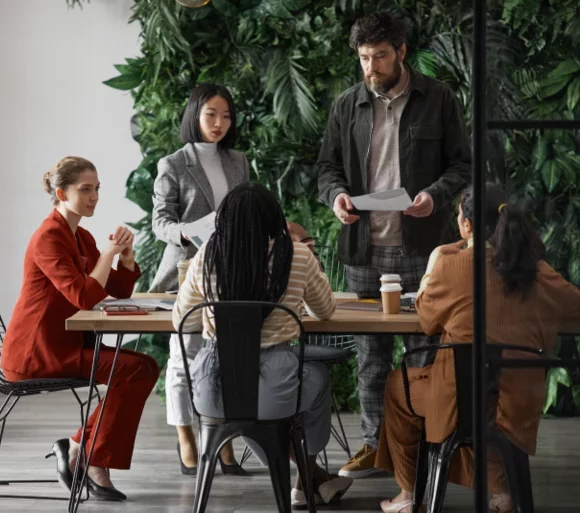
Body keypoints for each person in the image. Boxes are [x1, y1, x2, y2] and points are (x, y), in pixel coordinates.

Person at [316, 11, 472, 478]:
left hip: (425, 250)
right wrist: (336, 197)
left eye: (379, 56)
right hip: (365, 249)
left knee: (424, 352)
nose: (370, 67)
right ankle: (373, 446)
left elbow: (463, 165)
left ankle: (421, 448)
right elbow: (327, 168)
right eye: (363, 58)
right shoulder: (347, 104)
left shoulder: (439, 98)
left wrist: (435, 195)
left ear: (401, 52)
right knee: (371, 357)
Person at [375, 183, 580, 513]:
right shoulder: (536, 271)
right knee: (484, 393)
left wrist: (434, 260)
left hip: (461, 404)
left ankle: (407, 495)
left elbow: (427, 320)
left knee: (401, 386)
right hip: (518, 405)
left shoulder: (450, 265)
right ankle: (499, 491)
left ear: (466, 224)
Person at [173, 183, 353, 508]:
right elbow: (325, 311)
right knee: (317, 378)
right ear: (275, 219)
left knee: (250, 413)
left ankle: (309, 478)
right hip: (275, 389)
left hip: (215, 392)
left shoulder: (208, 255)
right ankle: (307, 479)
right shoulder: (296, 255)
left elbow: (181, 319)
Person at [1, 156, 159, 501]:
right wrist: (107, 255)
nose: (95, 196)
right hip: (38, 351)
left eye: (97, 188)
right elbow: (84, 296)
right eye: (85, 189)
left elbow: (117, 289)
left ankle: (77, 446)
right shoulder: (49, 237)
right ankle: (92, 459)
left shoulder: (80, 235)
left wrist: (126, 258)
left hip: (66, 343)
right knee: (133, 371)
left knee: (143, 367)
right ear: (61, 192)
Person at [150, 83, 250, 475]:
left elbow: (244, 213)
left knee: (225, 360)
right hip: (188, 273)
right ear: (195, 114)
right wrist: (190, 230)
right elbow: (160, 224)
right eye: (211, 114)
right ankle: (186, 438)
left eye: (226, 116)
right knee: (183, 361)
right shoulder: (173, 163)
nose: (220, 123)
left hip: (230, 272)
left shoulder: (238, 161)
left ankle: (221, 440)